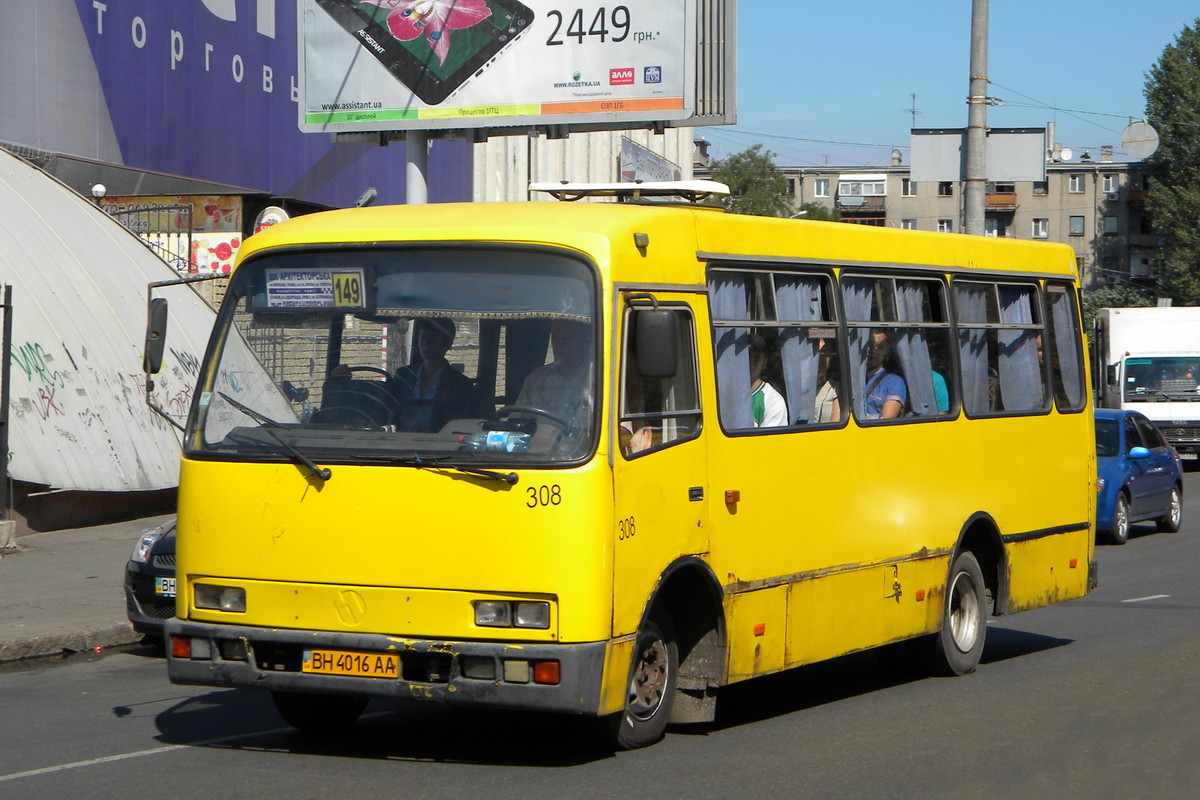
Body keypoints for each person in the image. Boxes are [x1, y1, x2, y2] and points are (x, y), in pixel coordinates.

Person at [390, 317, 492, 432]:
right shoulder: (404, 376)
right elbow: (389, 411)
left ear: (447, 343)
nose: (425, 343)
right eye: (423, 337)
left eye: (432, 338)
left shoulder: (460, 385)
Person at [515, 319, 594, 432]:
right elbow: (516, 421)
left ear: (586, 342)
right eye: (555, 338)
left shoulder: (599, 380)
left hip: (582, 448)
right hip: (534, 447)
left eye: (566, 338)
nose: (559, 344)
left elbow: (622, 429)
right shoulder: (536, 379)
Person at [863, 330, 906, 419]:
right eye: (870, 345)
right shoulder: (853, 377)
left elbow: (885, 422)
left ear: (886, 351)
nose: (874, 351)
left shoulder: (894, 382)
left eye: (880, 347)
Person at [748, 334, 788, 427]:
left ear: (764, 363)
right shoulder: (726, 395)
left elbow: (771, 441)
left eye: (756, 357)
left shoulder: (773, 401)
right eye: (748, 356)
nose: (751, 362)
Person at [814, 337, 841, 423]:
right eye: (817, 354)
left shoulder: (836, 389)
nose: (821, 359)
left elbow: (836, 427)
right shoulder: (796, 389)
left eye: (825, 354)